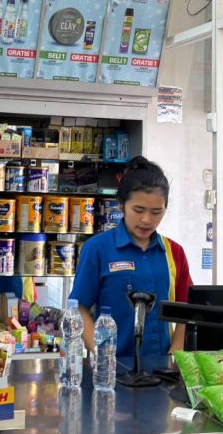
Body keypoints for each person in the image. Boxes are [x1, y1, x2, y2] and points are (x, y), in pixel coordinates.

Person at [70, 156, 192, 366]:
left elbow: (187, 311)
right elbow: (79, 308)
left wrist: (174, 358)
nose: (147, 220)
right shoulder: (97, 249)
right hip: (111, 369)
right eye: (138, 210)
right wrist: (102, 356)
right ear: (121, 205)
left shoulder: (174, 252)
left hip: (162, 370)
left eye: (156, 212)